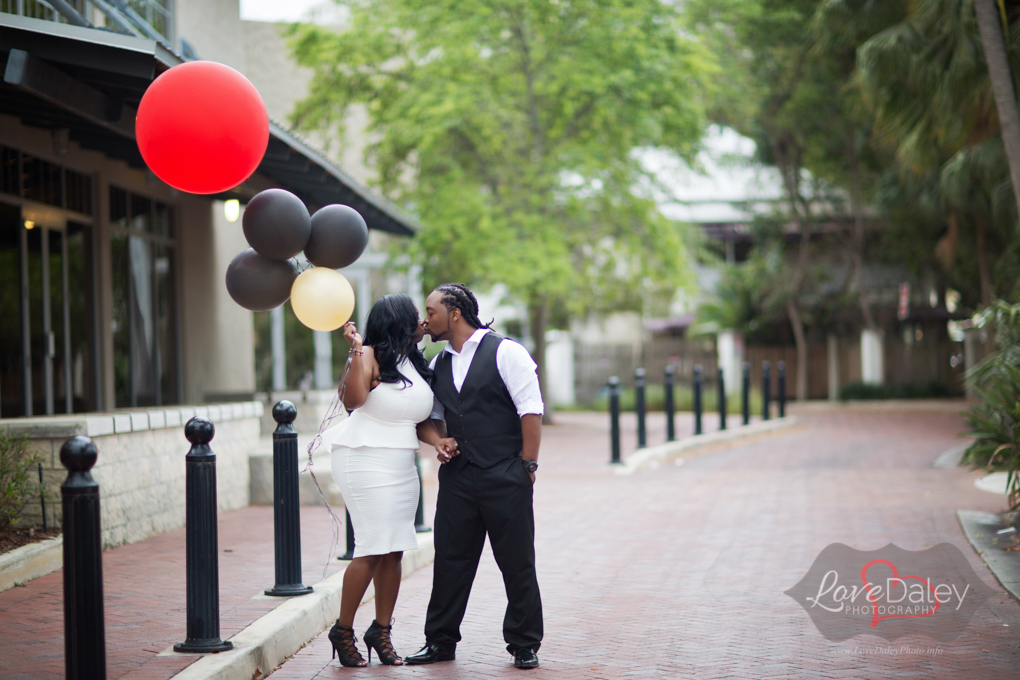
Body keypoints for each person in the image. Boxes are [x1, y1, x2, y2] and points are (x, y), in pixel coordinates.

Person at [405, 283, 544, 670]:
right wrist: (439, 440)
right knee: (450, 560)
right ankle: (440, 641)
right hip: (458, 479)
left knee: (516, 562)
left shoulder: (506, 352)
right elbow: (429, 418)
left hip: (505, 473)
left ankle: (524, 643)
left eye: (430, 312)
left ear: (454, 313)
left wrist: (527, 467)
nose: (424, 319)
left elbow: (530, 410)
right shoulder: (438, 363)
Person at [325, 294, 457, 667]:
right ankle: (343, 630)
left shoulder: (414, 362)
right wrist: (354, 351)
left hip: (401, 463)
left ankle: (380, 630)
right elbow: (353, 399)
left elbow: (416, 420)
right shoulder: (367, 355)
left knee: (394, 548)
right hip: (363, 457)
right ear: (398, 322)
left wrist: (437, 442)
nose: (422, 323)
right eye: (415, 317)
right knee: (370, 547)